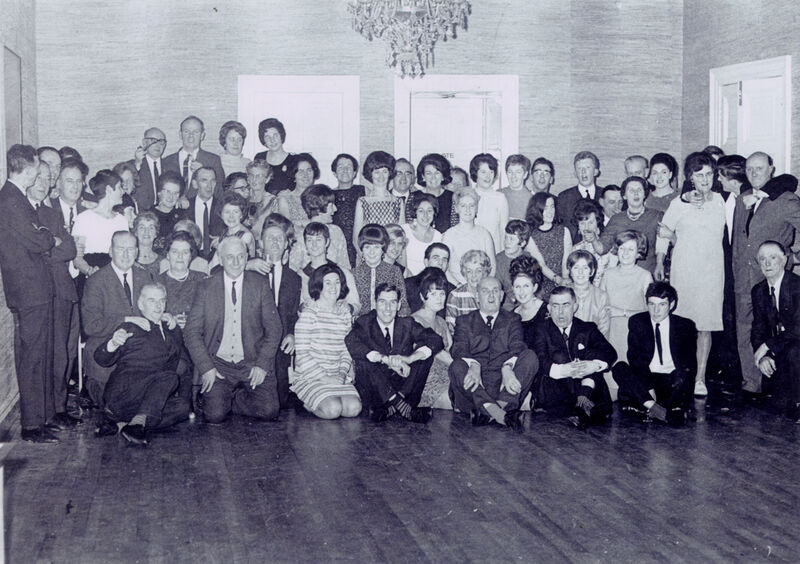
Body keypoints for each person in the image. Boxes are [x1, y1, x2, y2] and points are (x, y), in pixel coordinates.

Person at [184, 236, 282, 423]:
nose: (236, 262)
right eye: (229, 257)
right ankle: (219, 399)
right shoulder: (206, 287)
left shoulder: (260, 284)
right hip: (219, 364)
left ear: (247, 257)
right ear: (220, 259)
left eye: (240, 256)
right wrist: (207, 368)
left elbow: (275, 328)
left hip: (251, 362)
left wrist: (262, 365)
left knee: (269, 410)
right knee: (214, 415)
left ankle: (232, 398)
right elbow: (191, 332)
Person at [0, 145, 60, 442]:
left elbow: (37, 236)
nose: (39, 172)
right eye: (37, 167)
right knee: (32, 358)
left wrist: (43, 234)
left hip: (37, 291)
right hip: (28, 293)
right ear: (25, 168)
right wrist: (48, 235)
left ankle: (44, 417)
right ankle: (31, 425)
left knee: (41, 355)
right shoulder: (10, 200)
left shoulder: (17, 199)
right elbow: (38, 241)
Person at [655, 152, 724, 397]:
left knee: (705, 326)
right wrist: (660, 261)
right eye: (699, 174)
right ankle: (680, 375)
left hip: (712, 273)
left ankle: (700, 378)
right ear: (690, 177)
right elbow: (664, 233)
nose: (705, 179)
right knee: (682, 325)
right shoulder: (678, 203)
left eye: (709, 174)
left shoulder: (721, 200)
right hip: (684, 271)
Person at [732, 151, 800, 401]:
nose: (754, 173)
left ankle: (776, 384)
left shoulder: (785, 200)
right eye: (749, 169)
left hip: (770, 279)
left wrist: (791, 257)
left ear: (771, 169)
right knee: (744, 330)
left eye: (759, 168)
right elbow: (739, 242)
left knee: (776, 331)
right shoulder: (743, 199)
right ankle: (751, 384)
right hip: (743, 279)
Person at [94, 283, 192, 445]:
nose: (158, 305)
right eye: (152, 300)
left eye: (162, 301)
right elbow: (101, 359)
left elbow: (186, 365)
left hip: (149, 399)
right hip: (123, 394)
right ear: (141, 304)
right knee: (170, 376)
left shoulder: (172, 329)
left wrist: (174, 328)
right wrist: (113, 343)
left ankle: (121, 425)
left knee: (182, 407)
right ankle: (138, 422)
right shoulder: (131, 326)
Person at [28, 164, 83, 430]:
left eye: (47, 177)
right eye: (39, 177)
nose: (44, 182)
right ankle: (45, 413)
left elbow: (69, 248)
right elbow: (35, 250)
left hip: (63, 291)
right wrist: (54, 244)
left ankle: (59, 408)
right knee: (45, 355)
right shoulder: (23, 212)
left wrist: (53, 245)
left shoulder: (49, 214)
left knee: (62, 353)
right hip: (41, 294)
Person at [345, 283, 444, 423]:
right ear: (375, 303)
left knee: (425, 354)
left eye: (392, 302)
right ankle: (402, 406)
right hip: (376, 395)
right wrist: (385, 359)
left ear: (398, 306)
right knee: (365, 358)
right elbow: (351, 342)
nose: (387, 308)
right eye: (382, 302)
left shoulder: (407, 324)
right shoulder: (364, 322)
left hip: (403, 387)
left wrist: (409, 359)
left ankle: (394, 406)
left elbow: (436, 340)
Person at [449, 277, 538, 431]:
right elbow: (458, 348)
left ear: (502, 295)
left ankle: (487, 412)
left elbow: (518, 345)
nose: (491, 295)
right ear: (477, 296)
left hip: (505, 386)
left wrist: (508, 368)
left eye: (495, 291)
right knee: (456, 365)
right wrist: (473, 364)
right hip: (475, 386)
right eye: (485, 291)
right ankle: (501, 415)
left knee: (530, 356)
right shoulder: (464, 320)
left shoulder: (513, 319)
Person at [81, 231, 155, 407]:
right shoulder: (96, 281)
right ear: (110, 251)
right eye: (121, 249)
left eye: (130, 249)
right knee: (115, 405)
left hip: (137, 357)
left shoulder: (145, 276)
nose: (126, 254)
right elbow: (91, 326)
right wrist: (127, 319)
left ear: (137, 252)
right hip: (105, 357)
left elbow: (151, 314)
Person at [612, 282, 697, 426]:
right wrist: (648, 387)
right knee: (619, 367)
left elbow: (688, 364)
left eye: (662, 305)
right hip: (647, 378)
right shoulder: (638, 322)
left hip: (671, 380)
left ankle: (646, 405)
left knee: (682, 378)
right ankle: (657, 408)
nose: (656, 310)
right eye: (651, 304)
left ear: (671, 305)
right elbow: (635, 360)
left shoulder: (685, 326)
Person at [531, 286, 617, 429]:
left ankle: (583, 399)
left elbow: (610, 352)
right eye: (555, 306)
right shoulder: (541, 329)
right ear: (549, 309)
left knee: (593, 355)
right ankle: (583, 405)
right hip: (557, 390)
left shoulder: (588, 327)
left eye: (566, 305)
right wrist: (564, 370)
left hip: (587, 384)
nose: (560, 312)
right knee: (558, 356)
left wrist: (593, 365)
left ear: (575, 307)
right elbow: (539, 358)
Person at [291, 263, 361, 419]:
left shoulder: (344, 315)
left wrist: (342, 373)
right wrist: (325, 378)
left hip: (337, 374)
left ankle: (323, 398)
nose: (333, 287)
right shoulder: (309, 314)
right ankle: (305, 403)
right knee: (333, 410)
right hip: (311, 376)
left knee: (353, 408)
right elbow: (302, 355)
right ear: (319, 285)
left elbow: (346, 350)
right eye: (328, 282)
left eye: (337, 282)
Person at [247, 214, 302, 409]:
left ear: (287, 244)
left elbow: (294, 314)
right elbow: (218, 274)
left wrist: (292, 334)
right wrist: (246, 266)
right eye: (270, 237)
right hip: (249, 347)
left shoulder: (294, 278)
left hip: (278, 348)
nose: (275, 242)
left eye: (280, 238)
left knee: (280, 402)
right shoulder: (248, 270)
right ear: (260, 242)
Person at [750, 241, 800, 422]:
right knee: (776, 408)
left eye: (773, 258)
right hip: (782, 348)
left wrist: (768, 345)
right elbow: (758, 329)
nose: (767, 264)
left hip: (796, 348)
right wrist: (762, 356)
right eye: (762, 259)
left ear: (784, 260)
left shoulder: (797, 286)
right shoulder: (759, 291)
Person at [600, 230, 653, 363]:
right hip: (610, 332)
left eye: (630, 249)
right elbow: (599, 305)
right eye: (622, 248)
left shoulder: (645, 276)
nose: (625, 253)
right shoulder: (607, 274)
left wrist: (622, 312)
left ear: (638, 253)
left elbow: (652, 313)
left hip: (634, 332)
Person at [72, 170, 129, 285]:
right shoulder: (83, 219)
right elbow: (76, 258)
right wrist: (90, 271)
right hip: (92, 279)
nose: (123, 192)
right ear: (109, 190)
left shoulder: (122, 221)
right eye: (119, 188)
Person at [597, 176, 663, 273]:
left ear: (645, 194)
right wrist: (593, 237)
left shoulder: (657, 216)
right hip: (623, 273)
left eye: (639, 190)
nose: (635, 193)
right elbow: (602, 249)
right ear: (624, 196)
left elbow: (665, 245)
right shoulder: (617, 219)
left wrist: (660, 264)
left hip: (650, 272)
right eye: (631, 190)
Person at [412, 268, 454, 409]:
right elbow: (441, 355)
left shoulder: (441, 321)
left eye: (442, 293)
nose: (439, 298)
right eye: (433, 294)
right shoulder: (414, 321)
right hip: (427, 382)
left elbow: (452, 350)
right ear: (423, 297)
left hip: (449, 376)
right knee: (462, 401)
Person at [298, 222, 360, 312]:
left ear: (327, 242)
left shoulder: (342, 272)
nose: (314, 245)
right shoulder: (300, 275)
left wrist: (348, 307)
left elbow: (356, 305)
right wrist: (304, 306)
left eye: (319, 240)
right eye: (309, 240)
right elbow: (296, 307)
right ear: (305, 244)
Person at [441, 187, 496, 286]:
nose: (467, 210)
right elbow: (445, 268)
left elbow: (492, 266)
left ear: (477, 209)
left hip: (481, 287)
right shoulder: (449, 235)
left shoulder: (484, 234)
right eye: (463, 206)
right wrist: (459, 286)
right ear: (457, 209)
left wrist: (484, 287)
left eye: (471, 205)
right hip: (456, 287)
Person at [353, 224, 409, 316]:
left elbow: (403, 304)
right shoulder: (353, 274)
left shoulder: (394, 271)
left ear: (383, 249)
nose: (372, 252)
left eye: (376, 247)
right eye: (367, 247)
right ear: (362, 250)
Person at [162, 115, 225, 198]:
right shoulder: (166, 161)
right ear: (180, 134)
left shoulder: (213, 160)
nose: (191, 136)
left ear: (202, 135)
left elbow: (220, 193)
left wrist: (203, 172)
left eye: (195, 132)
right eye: (186, 131)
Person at [525, 192, 572, 298]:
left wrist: (564, 280)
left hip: (563, 280)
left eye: (552, 207)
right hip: (540, 284)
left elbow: (566, 259)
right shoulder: (530, 234)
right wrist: (557, 279)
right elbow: (541, 265)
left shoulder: (564, 231)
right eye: (545, 208)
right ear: (537, 210)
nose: (550, 211)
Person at [353, 151, 400, 252]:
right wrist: (368, 260)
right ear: (370, 174)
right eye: (377, 172)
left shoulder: (398, 202)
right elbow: (356, 239)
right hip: (368, 257)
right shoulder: (362, 202)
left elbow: (401, 236)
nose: (381, 176)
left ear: (390, 173)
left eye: (384, 171)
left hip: (391, 257)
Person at [296, 183, 349, 269]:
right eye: (331, 205)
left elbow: (344, 267)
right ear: (320, 206)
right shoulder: (300, 234)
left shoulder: (336, 231)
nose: (335, 209)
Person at [556, 151, 603, 239]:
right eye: (579, 168)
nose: (583, 172)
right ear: (575, 173)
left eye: (588, 167)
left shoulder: (604, 195)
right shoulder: (564, 197)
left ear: (596, 171)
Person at [330, 153, 365, 266]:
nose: (345, 170)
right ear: (334, 173)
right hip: (336, 244)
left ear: (355, 173)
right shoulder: (328, 194)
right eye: (340, 167)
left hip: (359, 244)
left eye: (349, 167)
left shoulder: (364, 191)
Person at [445, 249, 491, 334]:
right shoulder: (455, 296)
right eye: (469, 271)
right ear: (464, 273)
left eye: (478, 271)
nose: (474, 275)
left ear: (485, 272)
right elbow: (450, 330)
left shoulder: (491, 294)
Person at [571, 199, 615, 286]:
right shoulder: (575, 249)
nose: (586, 227)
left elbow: (613, 275)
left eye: (590, 223)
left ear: (598, 223)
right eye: (582, 223)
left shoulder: (608, 246)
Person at [568, 250, 611, 339]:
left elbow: (604, 329)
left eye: (585, 268)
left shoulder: (601, 296)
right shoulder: (563, 294)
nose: (580, 272)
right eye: (576, 267)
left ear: (592, 271)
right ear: (570, 271)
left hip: (593, 346)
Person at [470, 153, 509, 252]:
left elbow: (503, 231)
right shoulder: (467, 196)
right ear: (475, 173)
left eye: (491, 172)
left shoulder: (500, 198)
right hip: (470, 250)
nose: (488, 176)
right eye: (483, 172)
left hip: (493, 252)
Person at [405, 242, 453, 315]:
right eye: (436, 258)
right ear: (426, 262)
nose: (440, 263)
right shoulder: (408, 285)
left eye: (444, 260)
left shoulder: (451, 291)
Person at [187, 167, 225, 259]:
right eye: (204, 181)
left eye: (212, 181)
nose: (209, 186)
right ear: (195, 184)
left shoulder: (223, 207)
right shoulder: (185, 207)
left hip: (217, 257)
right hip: (190, 258)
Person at [510, 254, 548, 346]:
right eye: (517, 286)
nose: (521, 291)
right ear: (512, 288)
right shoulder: (511, 315)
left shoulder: (547, 311)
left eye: (526, 286)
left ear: (534, 287)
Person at [402, 192, 442, 276]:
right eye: (421, 211)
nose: (425, 215)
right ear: (415, 212)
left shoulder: (438, 236)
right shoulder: (405, 231)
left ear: (434, 213)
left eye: (429, 211)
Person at [277, 152, 318, 230]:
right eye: (301, 171)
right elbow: (287, 227)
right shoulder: (285, 199)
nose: (305, 175)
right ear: (293, 175)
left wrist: (300, 223)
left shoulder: (321, 197)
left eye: (309, 170)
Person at [253, 117, 294, 195]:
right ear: (263, 140)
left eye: (275, 135)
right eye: (267, 137)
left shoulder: (293, 160)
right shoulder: (259, 157)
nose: (272, 140)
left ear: (281, 136)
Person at [130, 127, 167, 211]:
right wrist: (137, 164)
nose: (158, 145)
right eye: (153, 141)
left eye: (161, 142)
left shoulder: (169, 165)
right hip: (141, 214)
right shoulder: (133, 165)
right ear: (144, 142)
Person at [417, 153, 456, 232]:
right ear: (423, 176)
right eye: (428, 173)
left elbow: (454, 228)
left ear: (443, 176)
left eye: (437, 173)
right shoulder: (414, 197)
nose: (433, 177)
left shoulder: (452, 197)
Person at [49, 158, 87, 234]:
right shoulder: (49, 208)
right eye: (70, 181)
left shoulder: (88, 209)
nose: (75, 186)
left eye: (78, 181)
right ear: (58, 183)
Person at [244, 159, 277, 241]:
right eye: (251, 175)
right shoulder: (243, 199)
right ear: (248, 178)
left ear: (267, 179)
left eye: (259, 176)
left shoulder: (273, 201)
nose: (254, 179)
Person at [150, 171, 188, 237]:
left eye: (175, 193)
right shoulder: (149, 214)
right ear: (159, 192)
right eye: (168, 192)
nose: (171, 197)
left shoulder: (182, 216)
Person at [499, 154, 532, 220]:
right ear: (506, 173)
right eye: (510, 172)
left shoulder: (531, 200)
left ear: (525, 174)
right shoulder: (498, 194)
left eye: (518, 172)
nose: (513, 176)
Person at [133, 212, 162, 276]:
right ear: (136, 232)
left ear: (156, 233)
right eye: (142, 228)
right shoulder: (129, 260)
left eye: (151, 228)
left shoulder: (163, 262)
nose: (146, 232)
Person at [390, 158, 414, 224]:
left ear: (412, 178)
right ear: (392, 176)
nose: (403, 178)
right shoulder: (384, 198)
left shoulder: (420, 199)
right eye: (399, 173)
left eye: (407, 174)